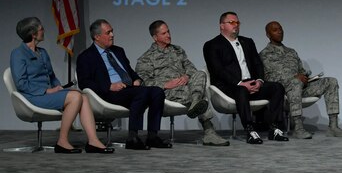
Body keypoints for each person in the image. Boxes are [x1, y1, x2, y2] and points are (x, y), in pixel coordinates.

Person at [10, 17, 113, 154]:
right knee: (75, 97)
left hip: (47, 94)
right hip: (32, 96)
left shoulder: (43, 52)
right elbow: (21, 84)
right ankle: (62, 142)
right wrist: (48, 91)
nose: (43, 31)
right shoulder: (18, 54)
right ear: (33, 34)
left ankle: (93, 141)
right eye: (41, 29)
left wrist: (60, 89)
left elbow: (52, 77)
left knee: (83, 96)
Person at [76, 19, 171, 150]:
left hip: (129, 89)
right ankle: (132, 137)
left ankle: (152, 136)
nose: (112, 35)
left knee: (157, 91)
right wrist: (109, 86)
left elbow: (130, 72)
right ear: (97, 37)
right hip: (109, 93)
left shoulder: (118, 51)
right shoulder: (86, 56)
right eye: (108, 32)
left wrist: (136, 79)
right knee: (142, 93)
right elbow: (84, 82)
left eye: (112, 31)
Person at [135, 20, 229, 146]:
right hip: (167, 92)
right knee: (201, 94)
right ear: (155, 37)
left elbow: (191, 69)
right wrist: (165, 84)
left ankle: (196, 102)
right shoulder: (146, 58)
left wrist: (186, 76)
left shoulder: (178, 50)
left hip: (187, 87)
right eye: (164, 33)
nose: (168, 35)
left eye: (168, 31)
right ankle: (209, 132)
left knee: (200, 74)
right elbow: (144, 82)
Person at [203, 12, 289, 144]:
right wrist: (240, 83)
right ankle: (250, 130)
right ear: (222, 26)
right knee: (241, 90)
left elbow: (258, 64)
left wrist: (259, 81)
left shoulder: (247, 42)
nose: (236, 25)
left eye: (237, 23)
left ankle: (274, 129)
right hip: (229, 87)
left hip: (252, 83)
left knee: (277, 87)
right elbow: (217, 70)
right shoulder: (212, 45)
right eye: (232, 22)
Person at [260, 21, 342, 139]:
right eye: (275, 30)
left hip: (300, 87)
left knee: (331, 81)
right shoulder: (264, 54)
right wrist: (294, 78)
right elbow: (269, 78)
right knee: (295, 82)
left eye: (281, 29)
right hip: (283, 91)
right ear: (268, 34)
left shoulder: (291, 52)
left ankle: (333, 126)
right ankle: (298, 127)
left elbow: (301, 70)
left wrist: (305, 76)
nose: (280, 31)